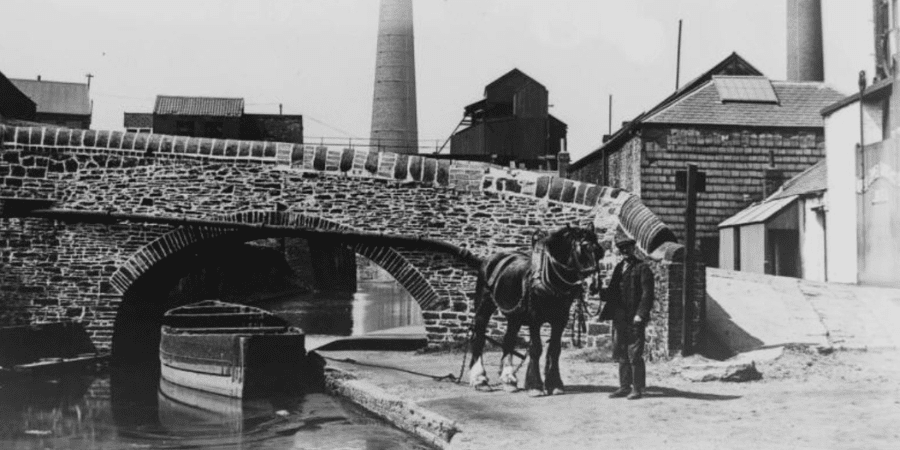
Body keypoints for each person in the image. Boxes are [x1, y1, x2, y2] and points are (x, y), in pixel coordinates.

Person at [602, 236, 655, 400]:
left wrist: (641, 314)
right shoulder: (619, 268)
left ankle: (637, 388)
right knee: (622, 352)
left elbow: (647, 294)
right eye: (622, 249)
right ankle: (624, 386)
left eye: (628, 248)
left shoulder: (642, 268)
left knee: (635, 352)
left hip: (635, 317)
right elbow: (611, 292)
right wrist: (598, 290)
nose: (625, 252)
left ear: (633, 249)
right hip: (620, 317)